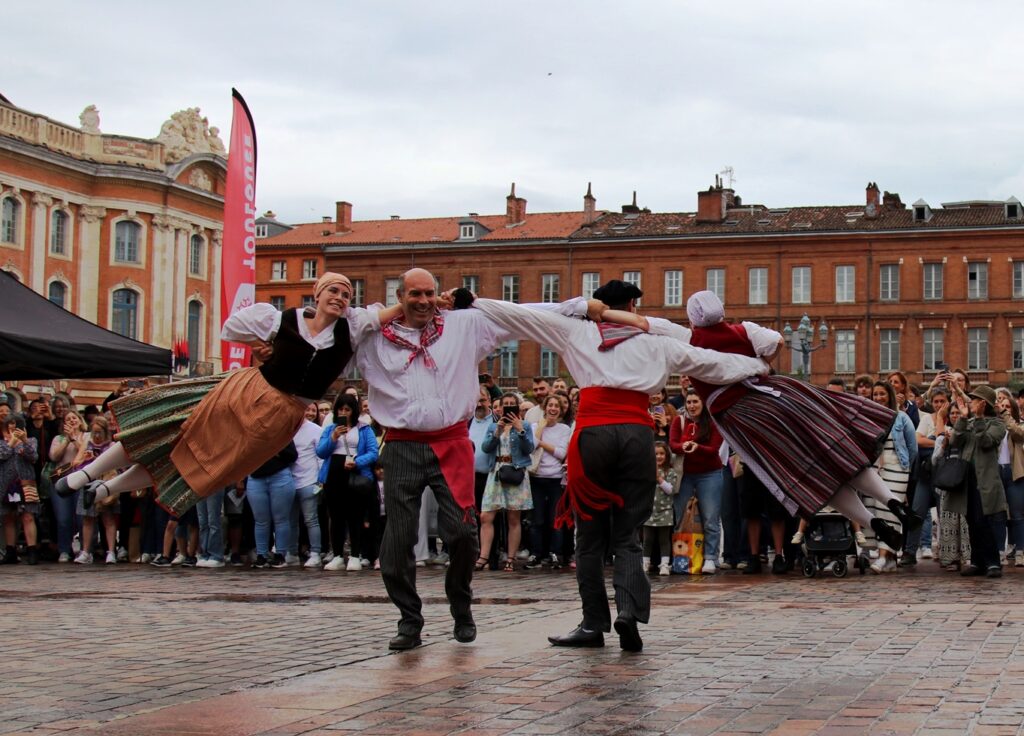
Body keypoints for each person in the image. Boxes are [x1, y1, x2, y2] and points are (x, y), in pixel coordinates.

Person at [467, 279, 769, 652]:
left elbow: (522, 315)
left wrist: (475, 301)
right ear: (630, 305)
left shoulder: (574, 330)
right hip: (636, 436)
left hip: (593, 433)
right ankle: (628, 613)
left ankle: (593, 623)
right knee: (628, 533)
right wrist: (757, 365)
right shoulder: (655, 340)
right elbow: (712, 364)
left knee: (590, 535)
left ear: (598, 305)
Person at [54, 272, 396, 515]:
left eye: (346, 295)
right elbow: (231, 328)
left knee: (198, 466)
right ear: (317, 294)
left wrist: (425, 299)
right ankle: (85, 473)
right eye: (333, 291)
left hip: (283, 416)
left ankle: (108, 488)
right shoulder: (280, 319)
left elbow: (389, 314)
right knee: (166, 433)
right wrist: (258, 346)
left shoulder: (351, 331)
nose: (339, 298)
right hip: (249, 392)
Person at [349, 268, 543, 651]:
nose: (422, 301)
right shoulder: (372, 338)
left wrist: (580, 309)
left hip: (451, 441)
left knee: (462, 534)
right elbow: (323, 344)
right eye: (413, 294)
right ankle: (409, 619)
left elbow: (521, 316)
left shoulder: (462, 326)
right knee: (398, 540)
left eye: (428, 294)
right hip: (403, 445)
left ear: (438, 296)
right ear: (400, 296)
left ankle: (461, 603)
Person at [633, 290, 915, 552]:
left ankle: (870, 521)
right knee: (838, 456)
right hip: (781, 398)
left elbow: (645, 322)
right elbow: (777, 341)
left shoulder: (690, 341)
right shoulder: (744, 329)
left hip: (746, 418)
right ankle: (891, 501)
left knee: (818, 477)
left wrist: (596, 310)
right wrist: (761, 364)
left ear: (694, 319)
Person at [318, 393, 378, 571]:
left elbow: (373, 453)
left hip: (354, 474)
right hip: (334, 474)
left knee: (355, 516)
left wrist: (357, 461)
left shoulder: (364, 429)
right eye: (341, 409)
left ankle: (355, 555)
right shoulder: (330, 429)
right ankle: (337, 555)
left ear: (354, 411)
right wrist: (333, 438)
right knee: (336, 516)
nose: (344, 412)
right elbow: (321, 452)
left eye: (348, 409)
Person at [951, 385, 1007, 577]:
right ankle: (977, 562)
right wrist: (963, 418)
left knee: (985, 521)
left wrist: (980, 420)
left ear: (984, 403)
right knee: (972, 521)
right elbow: (955, 441)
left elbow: (986, 442)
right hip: (967, 478)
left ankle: (993, 563)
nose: (971, 402)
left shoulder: (998, 424)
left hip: (986, 480)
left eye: (975, 400)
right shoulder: (970, 421)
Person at [670, 389, 725, 574]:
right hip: (685, 474)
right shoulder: (679, 421)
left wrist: (697, 447)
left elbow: (714, 449)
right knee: (681, 517)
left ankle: (710, 558)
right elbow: (673, 444)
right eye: (689, 402)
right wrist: (683, 446)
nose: (692, 406)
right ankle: (683, 558)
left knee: (710, 518)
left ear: (703, 404)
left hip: (709, 474)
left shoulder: (713, 423)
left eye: (695, 402)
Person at [865, 381, 917, 574]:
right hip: (874, 468)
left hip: (897, 466)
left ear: (890, 396)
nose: (878, 398)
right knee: (876, 511)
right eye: (875, 394)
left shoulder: (901, 417)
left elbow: (913, 448)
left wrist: (905, 469)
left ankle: (881, 558)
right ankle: (889, 558)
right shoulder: (868, 417)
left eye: (882, 394)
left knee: (889, 511)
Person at [478, 393, 534, 571]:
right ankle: (483, 556)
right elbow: (486, 448)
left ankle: (510, 558)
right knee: (486, 515)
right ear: (500, 408)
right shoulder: (494, 426)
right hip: (496, 470)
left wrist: (520, 430)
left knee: (513, 517)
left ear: (517, 407)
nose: (508, 407)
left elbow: (529, 448)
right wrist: (496, 432)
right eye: (506, 404)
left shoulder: (524, 425)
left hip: (516, 470)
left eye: (512, 404)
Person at [526, 395, 572, 569]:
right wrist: (540, 430)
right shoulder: (534, 427)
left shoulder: (564, 429)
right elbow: (530, 447)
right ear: (545, 408)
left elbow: (561, 453)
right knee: (536, 520)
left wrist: (541, 443)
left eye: (556, 406)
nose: (553, 409)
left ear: (560, 410)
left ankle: (555, 553)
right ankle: (536, 553)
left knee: (555, 519)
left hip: (555, 479)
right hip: (536, 477)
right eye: (550, 405)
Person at [288, 404, 324, 569]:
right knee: (291, 520)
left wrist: (320, 481)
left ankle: (315, 552)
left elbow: (321, 456)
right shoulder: (287, 429)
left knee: (311, 519)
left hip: (309, 481)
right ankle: (292, 552)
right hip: (289, 482)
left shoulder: (315, 429)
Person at [1, 416, 40, 564]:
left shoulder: (30, 441)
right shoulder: (1, 442)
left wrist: (23, 441)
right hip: (5, 483)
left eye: (15, 424)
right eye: (9, 424)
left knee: (28, 516)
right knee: (8, 517)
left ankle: (32, 550)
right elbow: (2, 454)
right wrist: (11, 442)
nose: (12, 427)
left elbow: (34, 457)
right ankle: (10, 550)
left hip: (26, 481)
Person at [48, 411, 86, 562]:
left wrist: (74, 439)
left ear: (80, 420)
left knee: (81, 518)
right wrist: (66, 440)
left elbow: (84, 453)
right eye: (68, 419)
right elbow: (54, 456)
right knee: (63, 518)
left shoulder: (86, 435)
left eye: (74, 418)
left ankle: (84, 548)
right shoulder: (58, 438)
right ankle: (64, 549)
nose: (71, 420)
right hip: (61, 481)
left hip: (81, 479)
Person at [996, 387, 1024, 567]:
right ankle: (999, 551)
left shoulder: (1019, 425)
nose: (1003, 408)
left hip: (1014, 473)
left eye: (1007, 406)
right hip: (997, 472)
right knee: (998, 515)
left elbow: (1018, 434)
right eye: (1001, 406)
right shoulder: (994, 426)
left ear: (1013, 410)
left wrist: (1006, 416)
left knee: (1017, 515)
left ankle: (1020, 551)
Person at [643, 442, 677, 576]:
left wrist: (659, 479)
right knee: (647, 540)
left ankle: (664, 564)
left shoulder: (671, 472)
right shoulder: (646, 471)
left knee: (664, 540)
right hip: (649, 511)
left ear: (667, 455)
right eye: (656, 454)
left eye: (662, 453)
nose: (659, 456)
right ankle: (645, 563)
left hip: (665, 511)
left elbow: (670, 490)